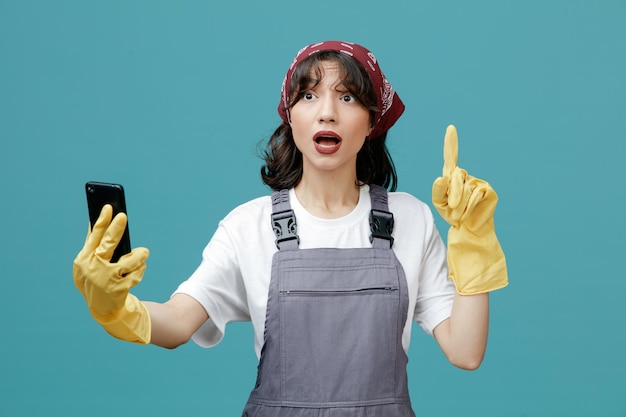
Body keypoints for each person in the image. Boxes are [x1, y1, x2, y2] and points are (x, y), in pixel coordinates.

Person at [73, 40, 508, 416]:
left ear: (373, 121)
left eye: (349, 98)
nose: (328, 113)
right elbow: (177, 323)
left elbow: (466, 352)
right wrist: (117, 309)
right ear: (291, 117)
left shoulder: (410, 219)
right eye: (309, 96)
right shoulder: (249, 226)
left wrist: (474, 243)